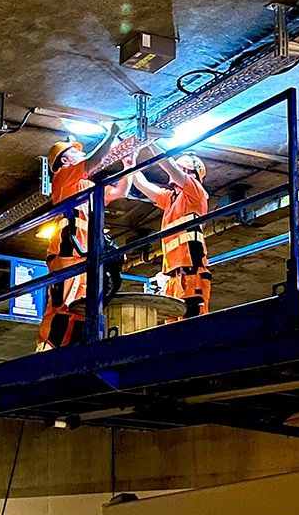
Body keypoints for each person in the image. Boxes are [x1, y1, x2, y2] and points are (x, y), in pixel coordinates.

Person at [37, 128, 128, 351]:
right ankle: (47, 350)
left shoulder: (87, 187)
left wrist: (128, 166)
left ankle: (73, 350)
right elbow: (94, 161)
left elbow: (121, 192)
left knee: (80, 309)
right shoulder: (63, 177)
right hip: (68, 255)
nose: (82, 154)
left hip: (84, 257)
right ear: (65, 160)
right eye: (77, 152)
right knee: (62, 307)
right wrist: (112, 134)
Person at [130, 149, 212, 319]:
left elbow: (169, 165)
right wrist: (129, 161)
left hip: (191, 274)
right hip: (173, 277)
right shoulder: (170, 199)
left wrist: (151, 142)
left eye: (183, 169)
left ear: (191, 175)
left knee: (191, 327)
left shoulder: (196, 193)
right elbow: (142, 184)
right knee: (174, 330)